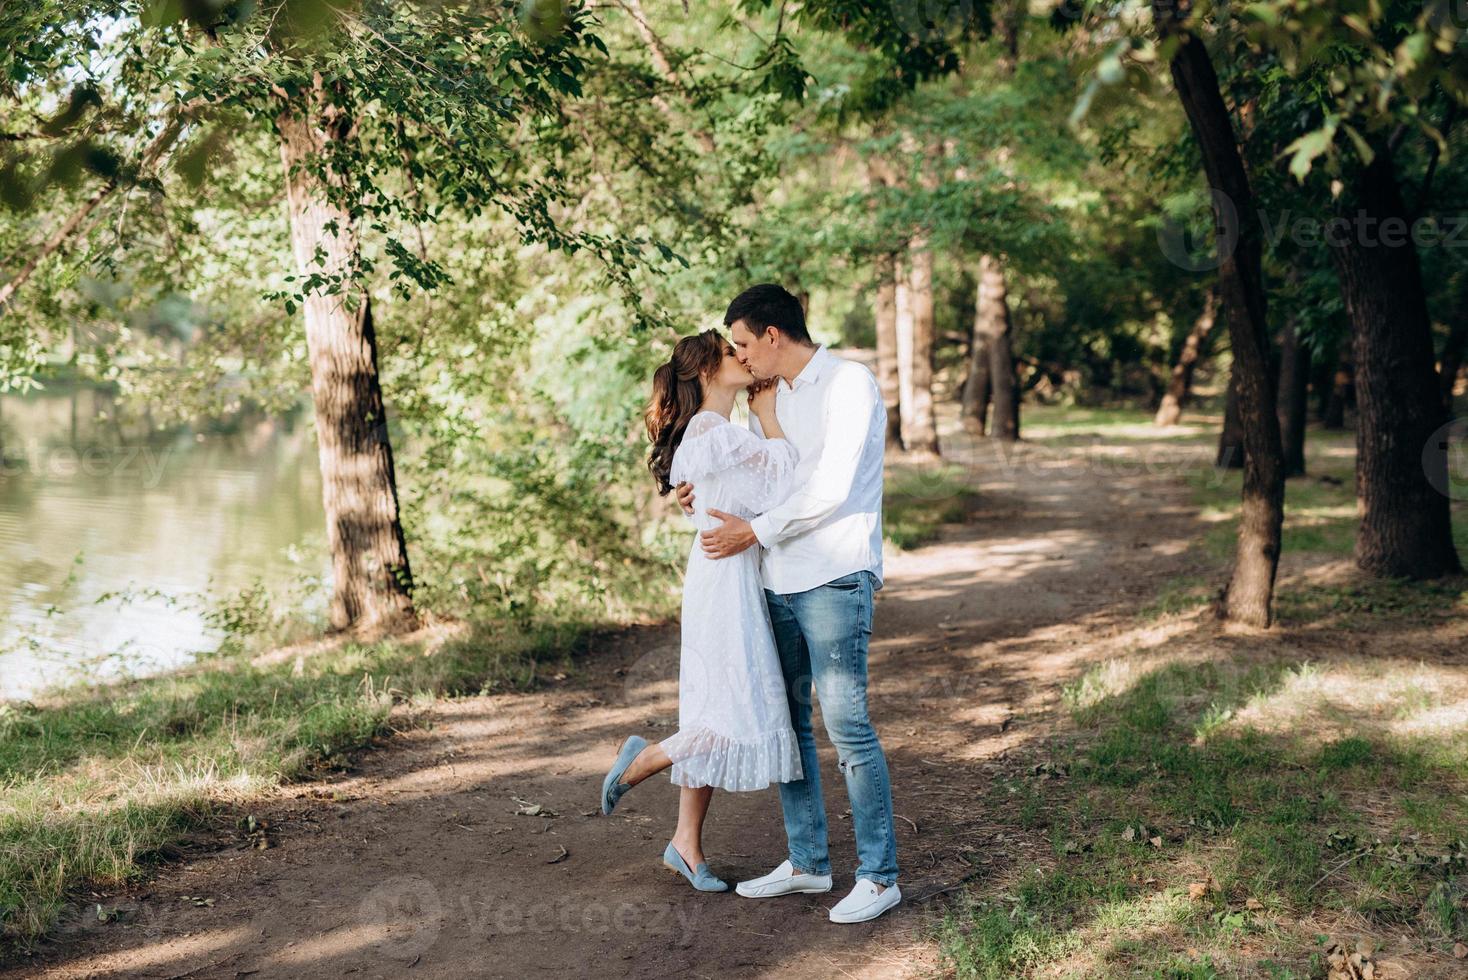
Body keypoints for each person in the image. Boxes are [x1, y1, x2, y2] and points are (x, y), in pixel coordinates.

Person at [678, 283, 900, 924]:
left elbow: (829, 488)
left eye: (744, 343)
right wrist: (699, 488)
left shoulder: (848, 385)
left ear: (772, 335)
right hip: (774, 579)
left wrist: (754, 530)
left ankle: (880, 876)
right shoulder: (763, 399)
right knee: (793, 724)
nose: (741, 357)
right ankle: (807, 863)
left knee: (847, 724)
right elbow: (763, 477)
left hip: (833, 576)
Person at [599, 328, 803, 893]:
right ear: (707, 372)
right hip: (724, 581)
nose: (742, 356)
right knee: (733, 710)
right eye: (729, 352)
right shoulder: (716, 432)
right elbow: (788, 476)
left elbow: (734, 499)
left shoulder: (713, 433)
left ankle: (685, 845)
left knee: (719, 701)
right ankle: (644, 759)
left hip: (726, 575)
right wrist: (768, 414)